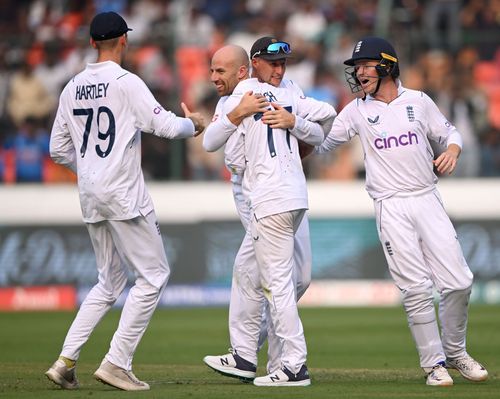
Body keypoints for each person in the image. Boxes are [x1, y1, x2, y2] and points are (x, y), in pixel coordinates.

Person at [312, 36, 488, 386]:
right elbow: (322, 143)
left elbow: (451, 133)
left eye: (365, 64)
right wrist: (295, 124)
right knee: (417, 288)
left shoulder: (418, 101)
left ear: (387, 65)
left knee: (459, 282)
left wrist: (452, 150)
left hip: (427, 198)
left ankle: (455, 351)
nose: (359, 72)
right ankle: (434, 364)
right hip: (390, 205)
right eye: (356, 67)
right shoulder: (357, 110)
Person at [45, 11, 205, 391]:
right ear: (124, 41)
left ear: (91, 43)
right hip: (123, 194)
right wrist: (195, 124)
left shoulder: (72, 86)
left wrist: (88, 170)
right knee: (154, 277)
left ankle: (66, 361)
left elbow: (56, 149)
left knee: (109, 281)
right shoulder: (126, 82)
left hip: (91, 195)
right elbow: (165, 126)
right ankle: (117, 362)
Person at [203, 38, 336, 387]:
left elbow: (325, 121)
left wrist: (294, 123)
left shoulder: (285, 90)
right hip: (260, 191)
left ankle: (282, 362)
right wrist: (238, 114)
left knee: (284, 281)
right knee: (257, 274)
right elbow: (215, 138)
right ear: (253, 64)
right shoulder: (242, 94)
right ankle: (251, 355)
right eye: (272, 64)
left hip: (277, 193)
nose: (279, 70)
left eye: (283, 64)